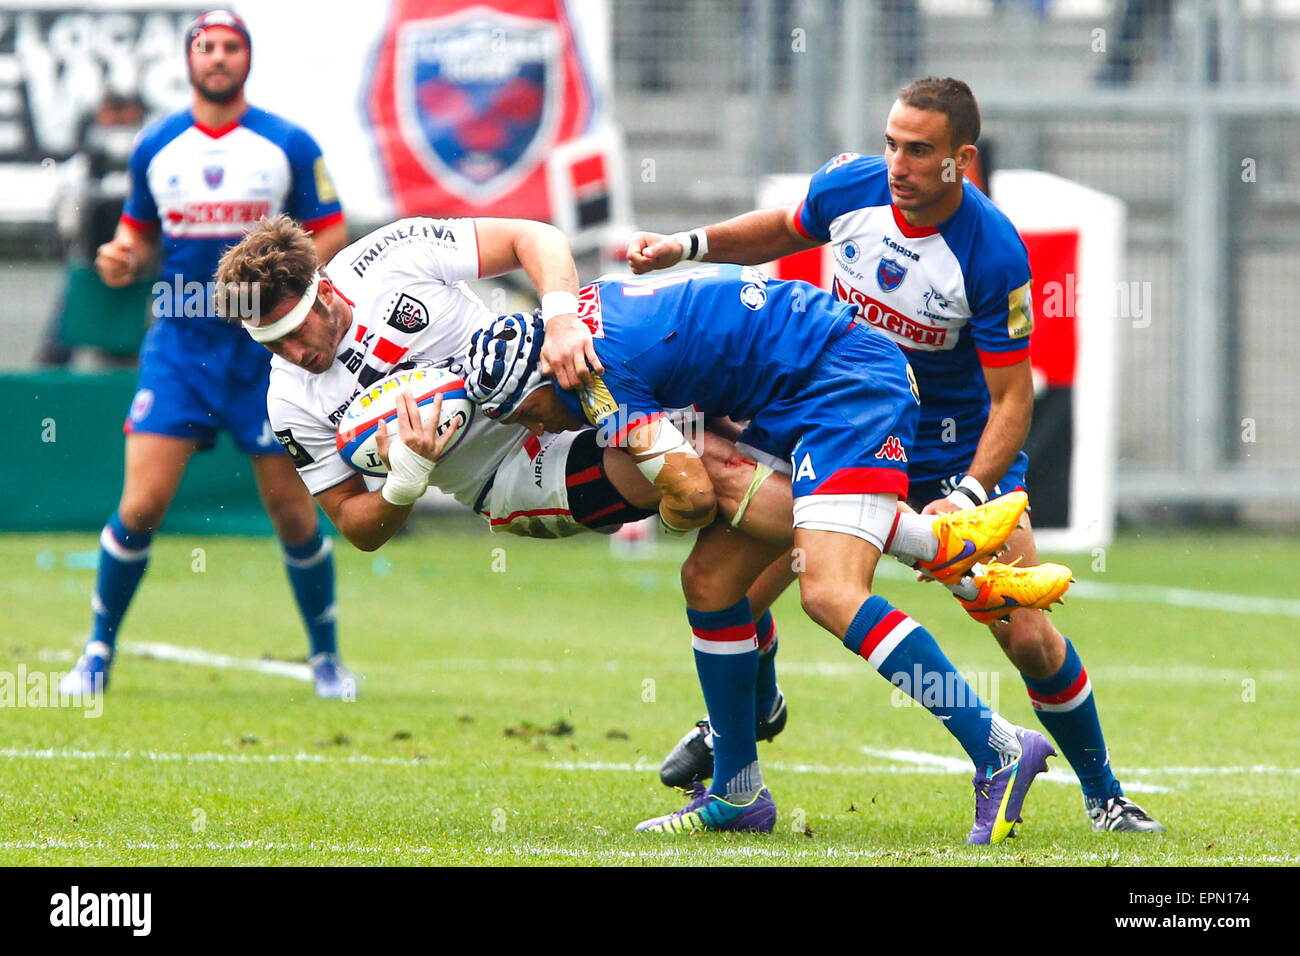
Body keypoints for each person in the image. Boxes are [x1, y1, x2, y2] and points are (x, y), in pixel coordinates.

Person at [625, 76, 1165, 835]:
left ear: (961, 161)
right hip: (835, 419)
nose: (898, 164)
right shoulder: (855, 186)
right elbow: (784, 229)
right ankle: (746, 743)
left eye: (919, 150)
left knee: (1024, 629)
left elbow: (1013, 400)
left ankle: (1105, 794)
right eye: (891, 144)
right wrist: (689, 245)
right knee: (720, 586)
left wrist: (972, 496)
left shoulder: (994, 254)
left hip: (945, 452)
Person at [216, 215, 1064, 642]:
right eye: (272, 344)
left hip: (547, 376)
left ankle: (927, 563)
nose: (295, 351)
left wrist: (555, 317)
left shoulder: (386, 256)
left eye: (297, 328)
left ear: (325, 287)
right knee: (703, 477)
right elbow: (359, 528)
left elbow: (533, 237)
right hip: (514, 476)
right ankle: (943, 553)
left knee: (722, 470)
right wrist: (406, 474)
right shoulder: (289, 401)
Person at [467, 265, 1063, 844]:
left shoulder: (599, 383)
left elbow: (694, 495)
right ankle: (739, 792)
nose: (537, 427)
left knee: (830, 592)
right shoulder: (573, 327)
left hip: (845, 381)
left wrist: (668, 509)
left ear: (552, 377)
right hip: (795, 390)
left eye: (529, 411)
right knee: (711, 582)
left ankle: (998, 747)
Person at [59, 11, 352, 700]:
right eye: (206, 47)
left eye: (230, 47)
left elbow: (332, 229)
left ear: (247, 58)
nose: (218, 58)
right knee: (141, 505)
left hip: (267, 358)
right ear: (190, 59)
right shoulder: (157, 145)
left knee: (292, 509)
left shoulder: (287, 143)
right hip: (180, 349)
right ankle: (96, 654)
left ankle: (327, 659)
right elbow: (136, 235)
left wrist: (290, 296)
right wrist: (121, 256)